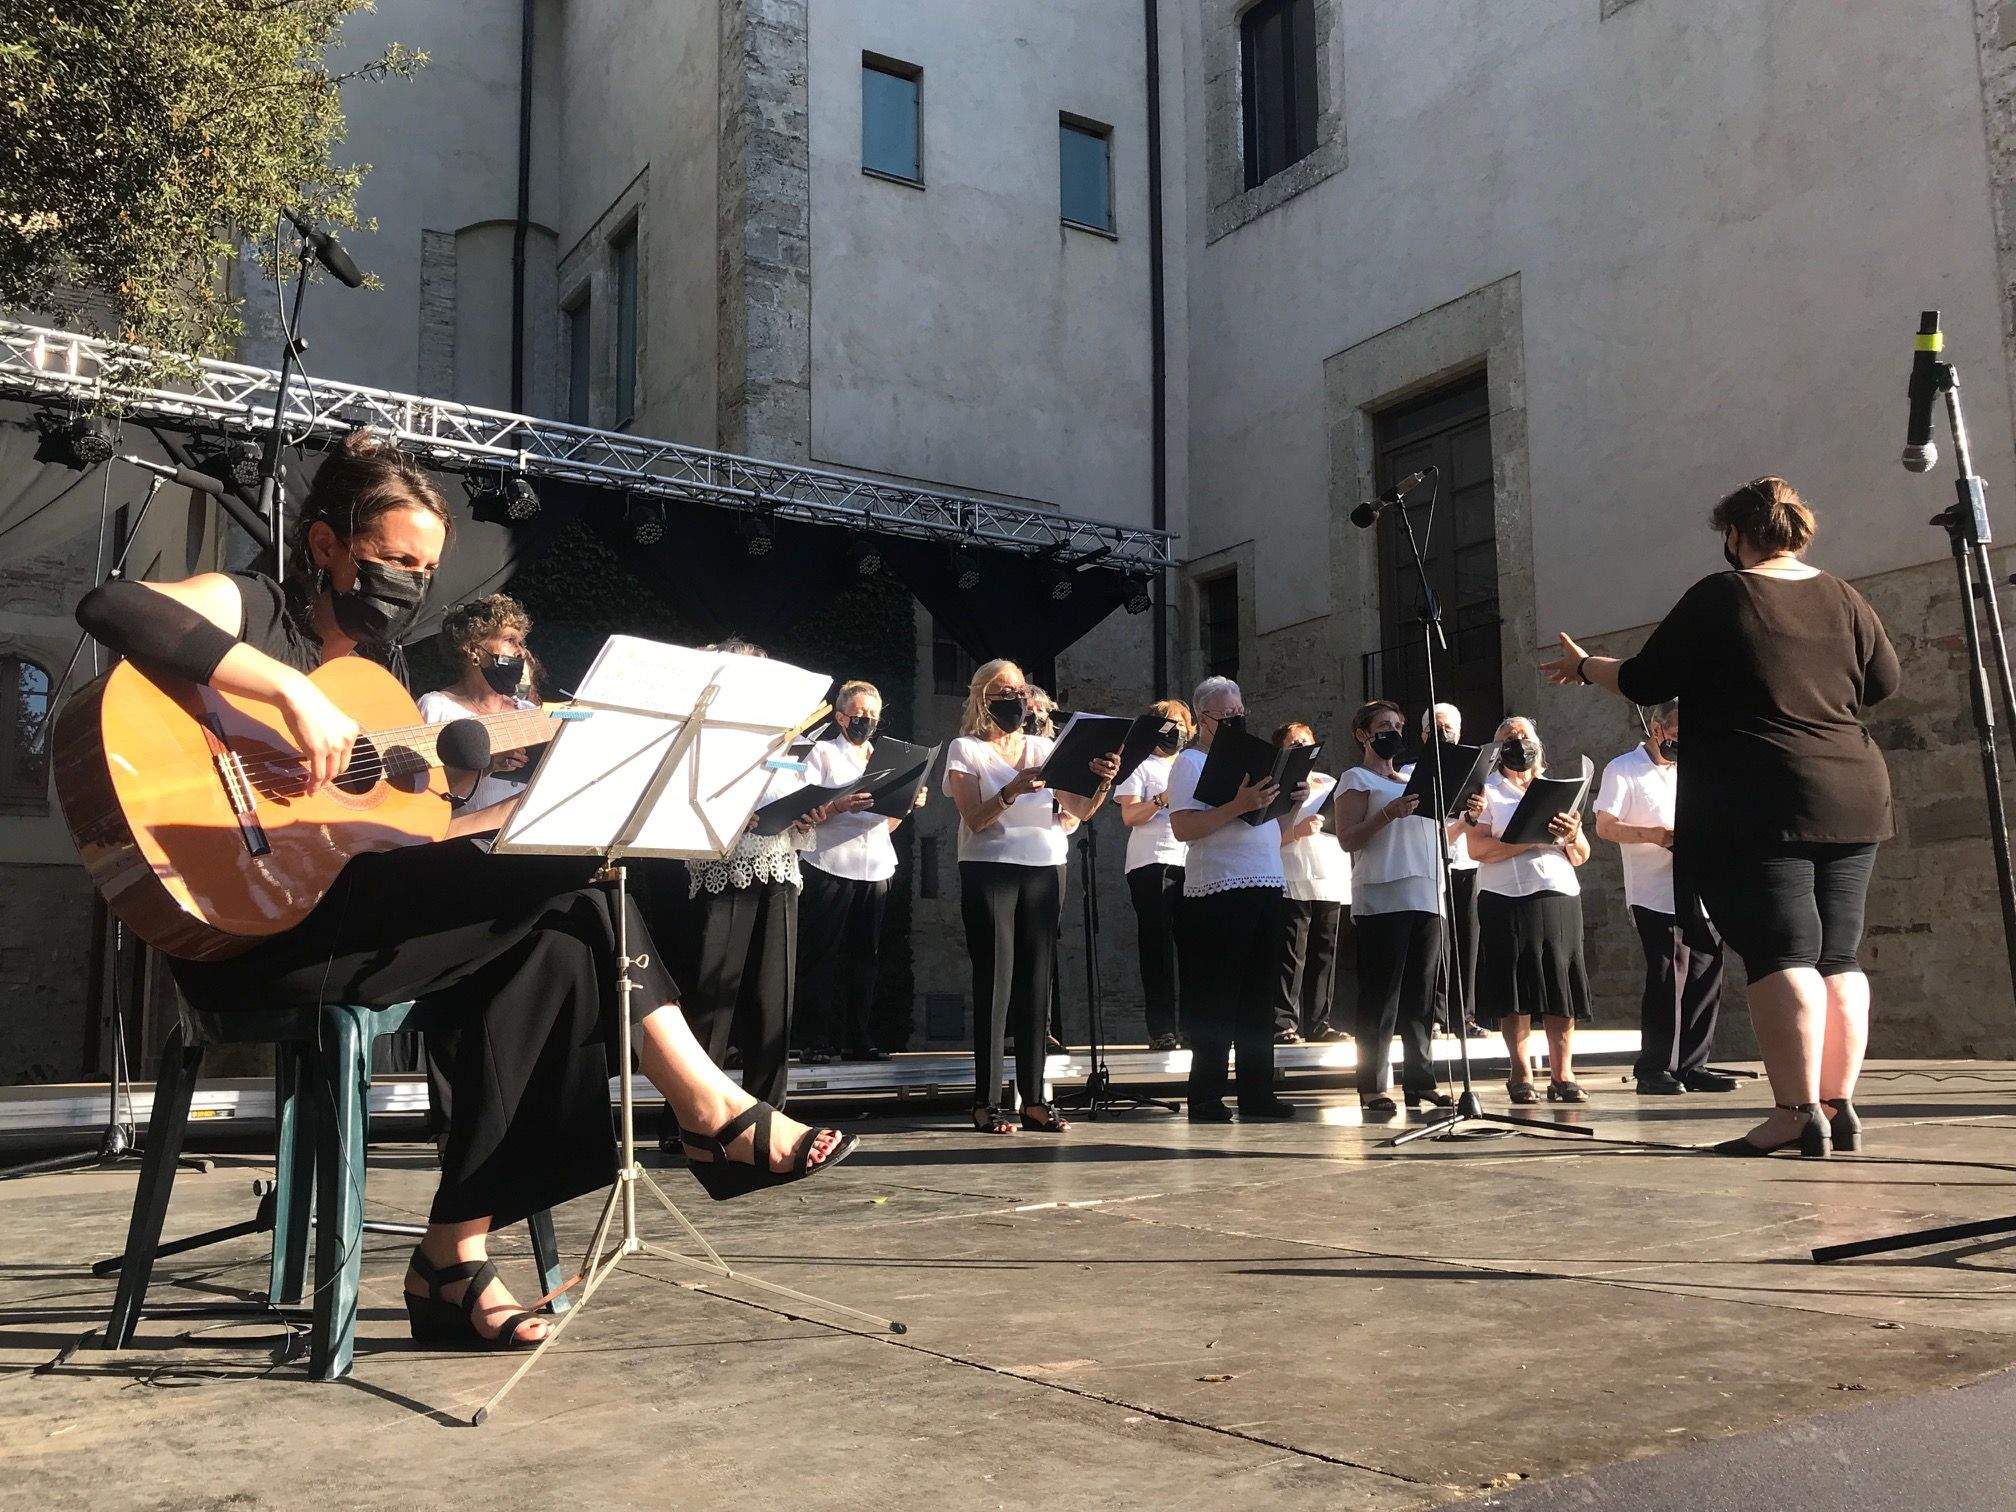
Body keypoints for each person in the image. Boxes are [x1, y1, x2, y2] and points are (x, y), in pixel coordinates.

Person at [72, 429, 857, 1352]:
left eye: (425, 566)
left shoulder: (383, 683)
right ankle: (702, 1110)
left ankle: (456, 1257)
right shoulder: (256, 609)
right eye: (391, 558)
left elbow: (390, 841)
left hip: (355, 917)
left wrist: (527, 809)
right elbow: (111, 602)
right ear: (325, 545)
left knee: (562, 934)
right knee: (574, 891)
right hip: (254, 942)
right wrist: (289, 693)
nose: (409, 580)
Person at [1544, 476, 1899, 1157]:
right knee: (1837, 954)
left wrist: (1588, 666)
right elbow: (1883, 684)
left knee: (1782, 953)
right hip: (1854, 790)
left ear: (1736, 536)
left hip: (1763, 795)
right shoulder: (1846, 596)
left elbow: (1646, 679)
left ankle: (1796, 1114)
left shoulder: (1724, 593)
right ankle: (1838, 1104)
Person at [943, 660, 1118, 1134]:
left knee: (1037, 983)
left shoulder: (1046, 746)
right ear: (983, 697)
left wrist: (1101, 781)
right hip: (989, 867)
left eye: (1021, 690)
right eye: (1005, 691)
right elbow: (974, 819)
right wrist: (1012, 789)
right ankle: (986, 1101)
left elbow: (1078, 810)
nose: (1016, 698)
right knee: (996, 981)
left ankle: (1035, 1099)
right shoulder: (965, 749)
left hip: (1045, 867)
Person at [679, 639, 814, 1112]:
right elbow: (683, 796)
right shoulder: (698, 731)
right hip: (724, 865)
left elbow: (796, 790)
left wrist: (805, 817)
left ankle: (769, 1111)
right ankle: (699, 1112)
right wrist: (727, 816)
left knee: (773, 993)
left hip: (778, 862)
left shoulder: (780, 731)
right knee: (714, 994)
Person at [1164, 677, 1302, 1122]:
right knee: (1215, 997)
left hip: (1265, 882)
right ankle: (1205, 1097)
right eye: (1226, 715)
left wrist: (1291, 803)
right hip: (1217, 889)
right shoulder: (1189, 762)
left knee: (1260, 998)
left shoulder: (1255, 761)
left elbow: (1275, 834)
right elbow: (1184, 828)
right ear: (1203, 719)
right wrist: (1237, 805)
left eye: (1239, 713)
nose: (1235, 720)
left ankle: (1257, 1093)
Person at [1593, 701, 1735, 1096]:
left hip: (1700, 887)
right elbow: (1605, 826)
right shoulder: (1623, 768)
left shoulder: (1694, 769)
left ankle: (1693, 1064)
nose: (1681, 742)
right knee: (1666, 976)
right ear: (1656, 729)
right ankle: (1654, 1067)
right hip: (1654, 890)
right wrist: (1655, 835)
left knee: (1707, 971)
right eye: (1675, 733)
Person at [1332, 701, 1467, 1112]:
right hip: (1383, 893)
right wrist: (1387, 814)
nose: (1393, 731)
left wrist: (1463, 816)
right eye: (1384, 725)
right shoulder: (1355, 778)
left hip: (1427, 890)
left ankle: (1420, 1078)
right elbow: (1348, 838)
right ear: (1363, 734)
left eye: (1398, 725)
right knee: (1381, 995)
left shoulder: (1415, 777)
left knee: (1422, 994)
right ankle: (1372, 1084)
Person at [1464, 716, 1594, 1104]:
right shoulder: (1486, 792)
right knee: (1514, 987)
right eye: (1509, 737)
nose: (1519, 742)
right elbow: (1478, 850)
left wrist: (1570, 836)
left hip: (1558, 893)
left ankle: (1563, 1074)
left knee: (1560, 985)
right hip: (1506, 897)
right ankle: (1520, 1074)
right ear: (1498, 748)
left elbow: (1582, 855)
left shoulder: (1558, 790)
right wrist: (1529, 839)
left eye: (1525, 736)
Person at [795, 679, 913, 1063]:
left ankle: (859, 1036)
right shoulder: (823, 754)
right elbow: (805, 816)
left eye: (873, 716)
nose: (866, 721)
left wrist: (905, 804)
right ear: (841, 715)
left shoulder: (885, 758)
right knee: (822, 954)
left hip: (875, 864)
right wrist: (839, 805)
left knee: (867, 956)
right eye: (860, 714)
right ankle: (815, 1038)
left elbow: (888, 824)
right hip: (830, 861)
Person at [417, 593, 541, 824]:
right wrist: (488, 765)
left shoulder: (527, 711)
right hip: (455, 844)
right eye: (510, 640)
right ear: (473, 649)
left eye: (521, 643)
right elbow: (419, 794)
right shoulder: (436, 707)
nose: (521, 652)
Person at [1113, 699, 1193, 1051]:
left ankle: (1194, 1027)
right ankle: (1162, 1029)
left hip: (1193, 861)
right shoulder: (1140, 766)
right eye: (1166, 724)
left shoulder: (1192, 765)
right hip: (1153, 862)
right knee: (1157, 948)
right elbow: (1130, 816)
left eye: (1180, 723)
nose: (1174, 730)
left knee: (1194, 948)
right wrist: (1162, 799)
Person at [1272, 721, 1350, 1045]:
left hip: (1329, 874)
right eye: (1293, 743)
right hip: (1294, 875)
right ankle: (1283, 1024)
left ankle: (1320, 1023)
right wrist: (1297, 830)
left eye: (1306, 740)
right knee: (1292, 954)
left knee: (1325, 953)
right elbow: (1270, 835)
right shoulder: (1278, 785)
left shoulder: (1330, 783)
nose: (1302, 746)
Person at [1420, 703, 1483, 1037]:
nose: (1443, 733)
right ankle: (1435, 1015)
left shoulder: (1473, 767)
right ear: (1424, 733)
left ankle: (1465, 1016)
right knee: (1436, 944)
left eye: (1449, 727)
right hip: (1431, 863)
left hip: (1466, 862)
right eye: (1436, 726)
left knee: (1467, 941)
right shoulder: (1411, 769)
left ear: (1459, 733)